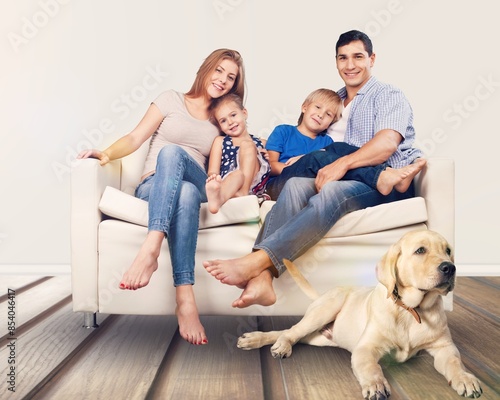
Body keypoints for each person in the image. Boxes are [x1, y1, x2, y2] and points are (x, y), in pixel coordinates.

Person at [203, 30, 426, 309]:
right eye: (343, 58)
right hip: (336, 174)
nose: (350, 65)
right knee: (297, 183)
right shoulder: (334, 101)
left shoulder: (387, 95)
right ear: (335, 62)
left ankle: (257, 262)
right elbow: (305, 136)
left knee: (331, 184)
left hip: (382, 181)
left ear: (372, 59)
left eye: (358, 57)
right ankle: (262, 280)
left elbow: (386, 144)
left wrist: (339, 163)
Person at [77, 49, 245, 345]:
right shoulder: (171, 99)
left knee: (178, 163)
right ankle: (186, 299)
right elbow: (135, 137)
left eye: (231, 77)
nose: (223, 80)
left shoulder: (220, 118)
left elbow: (238, 146)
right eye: (219, 71)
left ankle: (150, 248)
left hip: (197, 178)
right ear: (205, 69)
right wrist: (106, 154)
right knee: (185, 190)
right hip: (153, 186)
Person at [265, 88, 426, 200]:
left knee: (340, 149)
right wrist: (303, 160)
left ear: (332, 122)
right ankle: (381, 177)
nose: (321, 115)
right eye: (318, 107)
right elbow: (270, 166)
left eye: (328, 114)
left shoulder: (326, 141)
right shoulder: (284, 131)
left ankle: (387, 173)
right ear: (304, 107)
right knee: (317, 158)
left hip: (311, 183)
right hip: (279, 183)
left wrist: (308, 158)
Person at [205, 93, 270, 214]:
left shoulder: (262, 142)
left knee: (248, 144)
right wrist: (214, 178)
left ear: (244, 113)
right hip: (231, 185)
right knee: (237, 175)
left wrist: (267, 158)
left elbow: (270, 168)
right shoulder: (220, 141)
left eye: (233, 115)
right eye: (223, 121)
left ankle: (243, 192)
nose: (230, 122)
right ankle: (218, 199)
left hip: (253, 185)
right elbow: (213, 170)